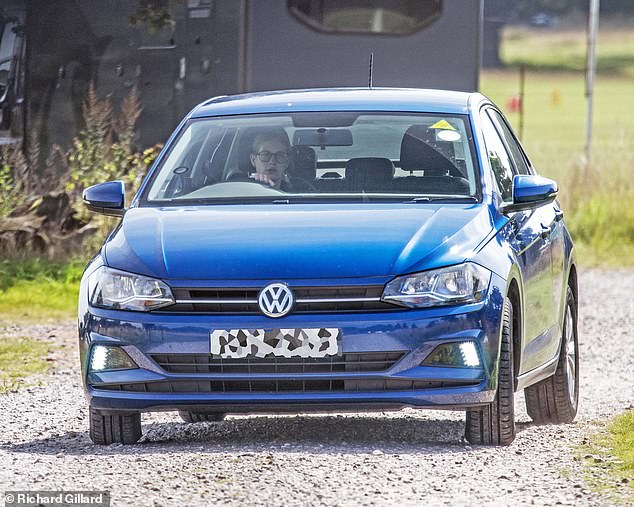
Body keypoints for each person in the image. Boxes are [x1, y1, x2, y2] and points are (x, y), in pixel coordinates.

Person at [249, 130, 315, 192]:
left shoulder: (302, 191)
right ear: (253, 160)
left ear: (287, 162)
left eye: (279, 155)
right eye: (265, 155)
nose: (272, 161)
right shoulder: (242, 192)